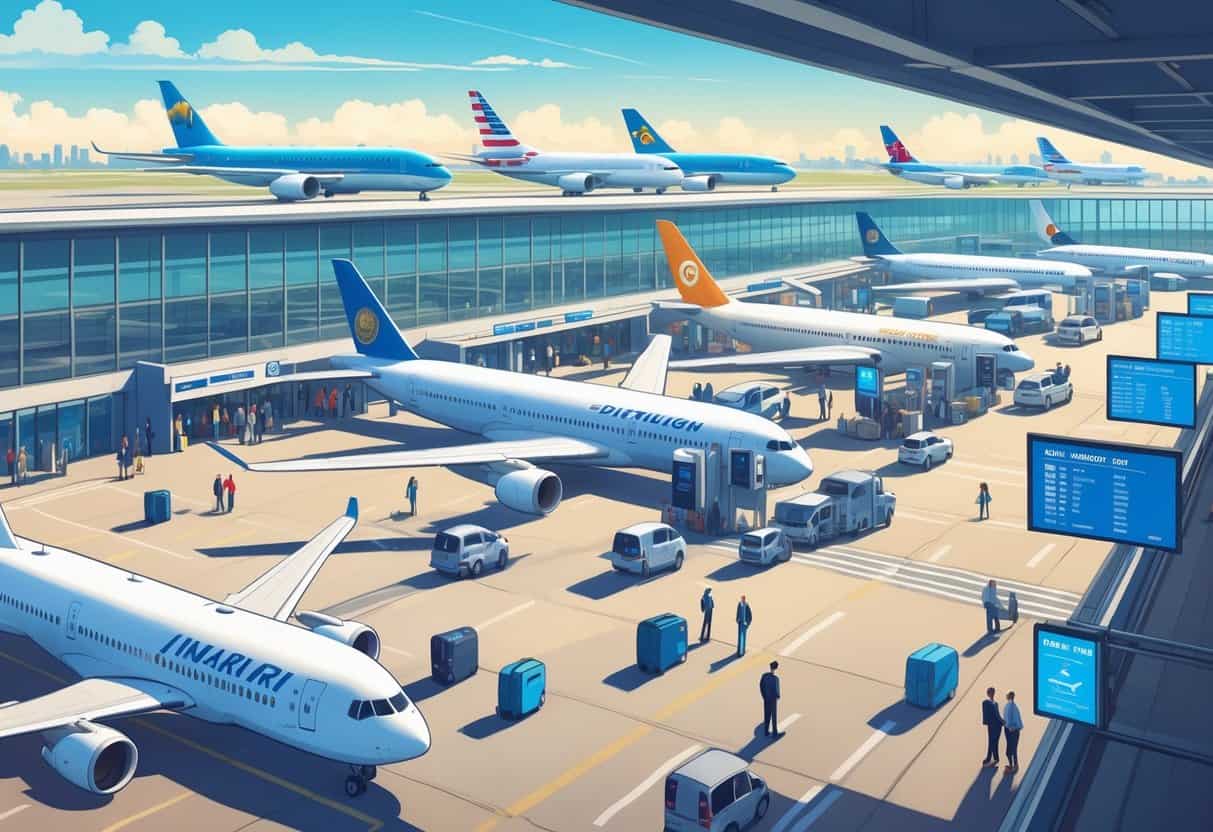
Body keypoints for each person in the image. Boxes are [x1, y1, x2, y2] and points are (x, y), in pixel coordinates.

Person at [982, 687, 1004, 768]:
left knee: (992, 742)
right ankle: (993, 758)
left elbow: (997, 715)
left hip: (994, 726)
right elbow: (997, 716)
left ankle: (992, 758)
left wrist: (1003, 721)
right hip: (995, 726)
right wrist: (1003, 722)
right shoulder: (993, 703)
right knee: (993, 742)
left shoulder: (989, 703)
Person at [760, 661, 782, 737]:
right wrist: (778, 696)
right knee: (774, 716)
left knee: (767, 714)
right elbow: (777, 691)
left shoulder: (764, 676)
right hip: (773, 700)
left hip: (766, 698)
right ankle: (775, 733)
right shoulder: (775, 679)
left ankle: (766, 732)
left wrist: (764, 696)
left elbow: (761, 686)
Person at [1004, 691, 1023, 772]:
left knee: (1011, 749)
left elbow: (1009, 719)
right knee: (1012, 749)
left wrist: (1010, 727)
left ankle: (1013, 766)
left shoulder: (1010, 706)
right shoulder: (1013, 706)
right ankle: (1013, 765)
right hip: (1013, 730)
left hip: (1011, 730)